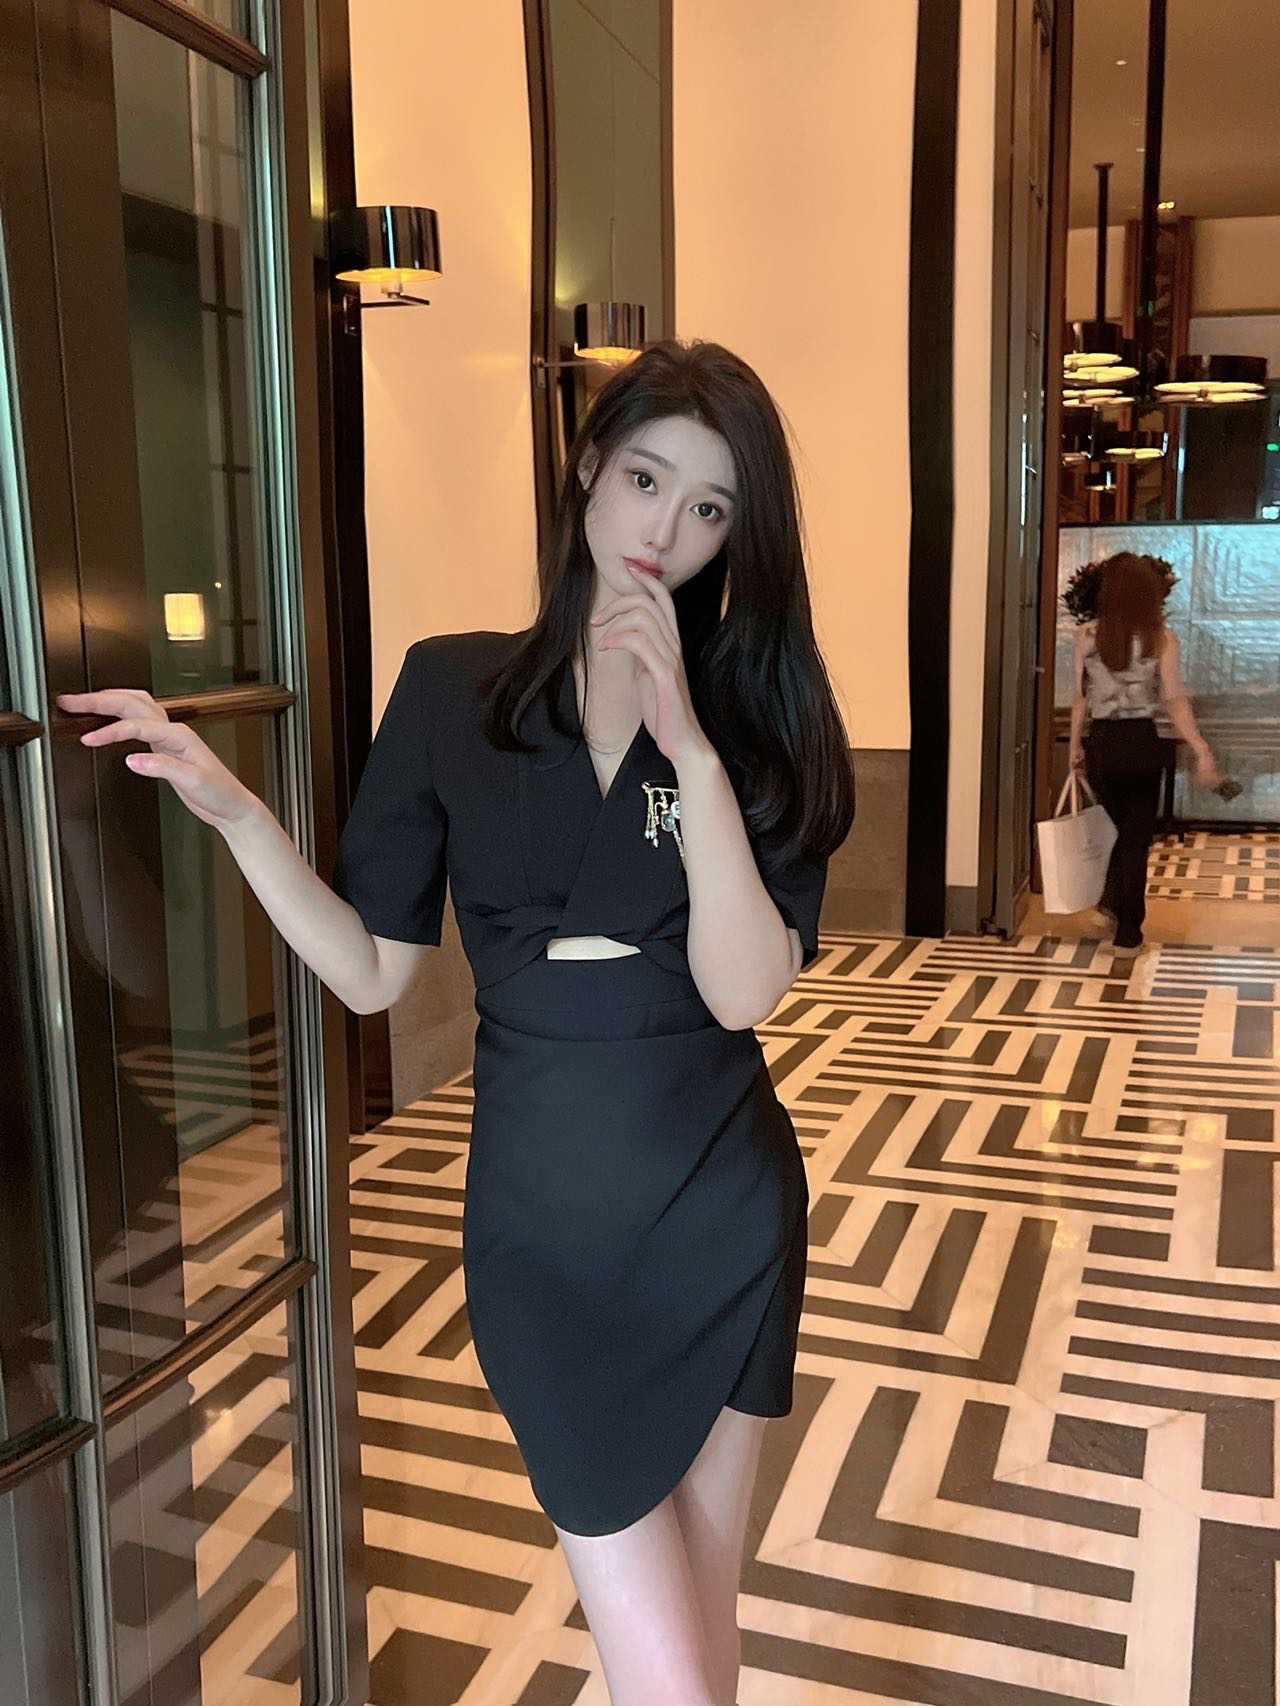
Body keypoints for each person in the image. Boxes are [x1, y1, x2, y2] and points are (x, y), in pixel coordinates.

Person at [58, 338, 856, 1706]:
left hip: (720, 1212)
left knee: (697, 1633)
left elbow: (741, 990)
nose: (664, 528)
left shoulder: (755, 714)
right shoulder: (452, 691)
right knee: (675, 1677)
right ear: (590, 467)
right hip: (541, 1237)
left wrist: (690, 748)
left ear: (738, 533)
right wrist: (234, 812)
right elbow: (373, 972)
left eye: (708, 506)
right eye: (646, 478)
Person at [1067, 550, 1219, 957]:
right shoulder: (1161, 638)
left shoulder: (1086, 636)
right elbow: (1174, 698)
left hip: (1102, 742)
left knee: (1114, 830)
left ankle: (1112, 905)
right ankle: (1128, 931)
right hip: (1142, 741)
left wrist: (1075, 747)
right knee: (1135, 838)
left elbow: (1080, 697)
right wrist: (1200, 747)